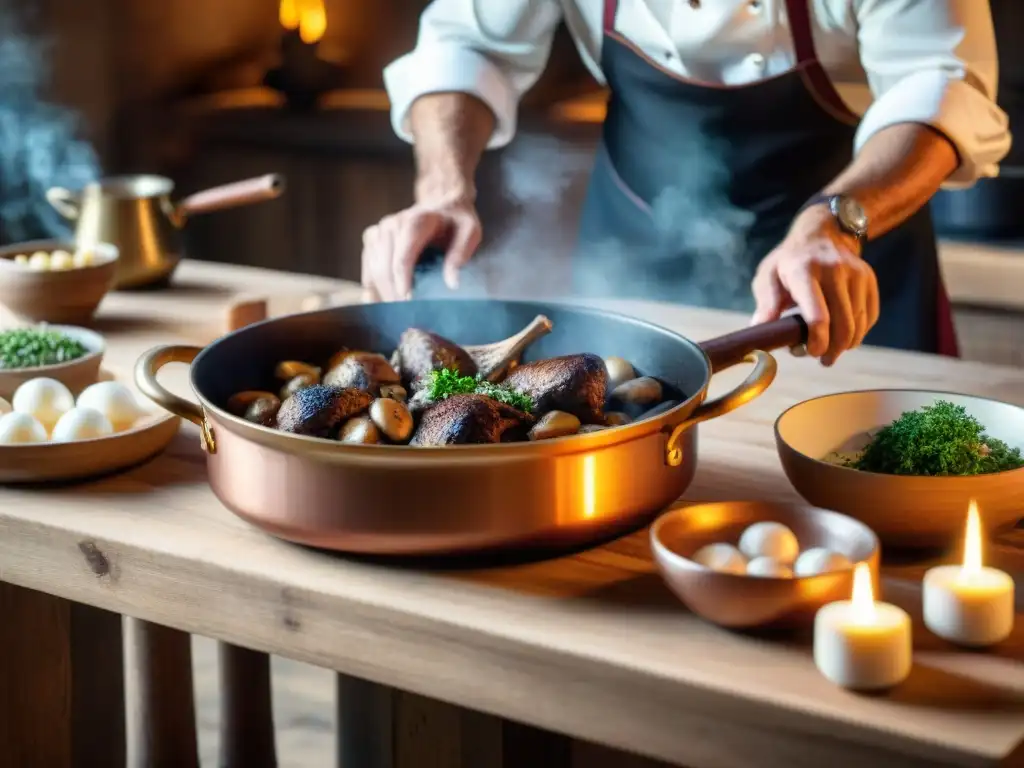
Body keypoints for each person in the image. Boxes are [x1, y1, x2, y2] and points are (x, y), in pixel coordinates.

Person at [362, 0, 1010, 365]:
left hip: (845, 260)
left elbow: (942, 82)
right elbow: (470, 45)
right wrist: (444, 188)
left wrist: (837, 220)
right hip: (633, 251)